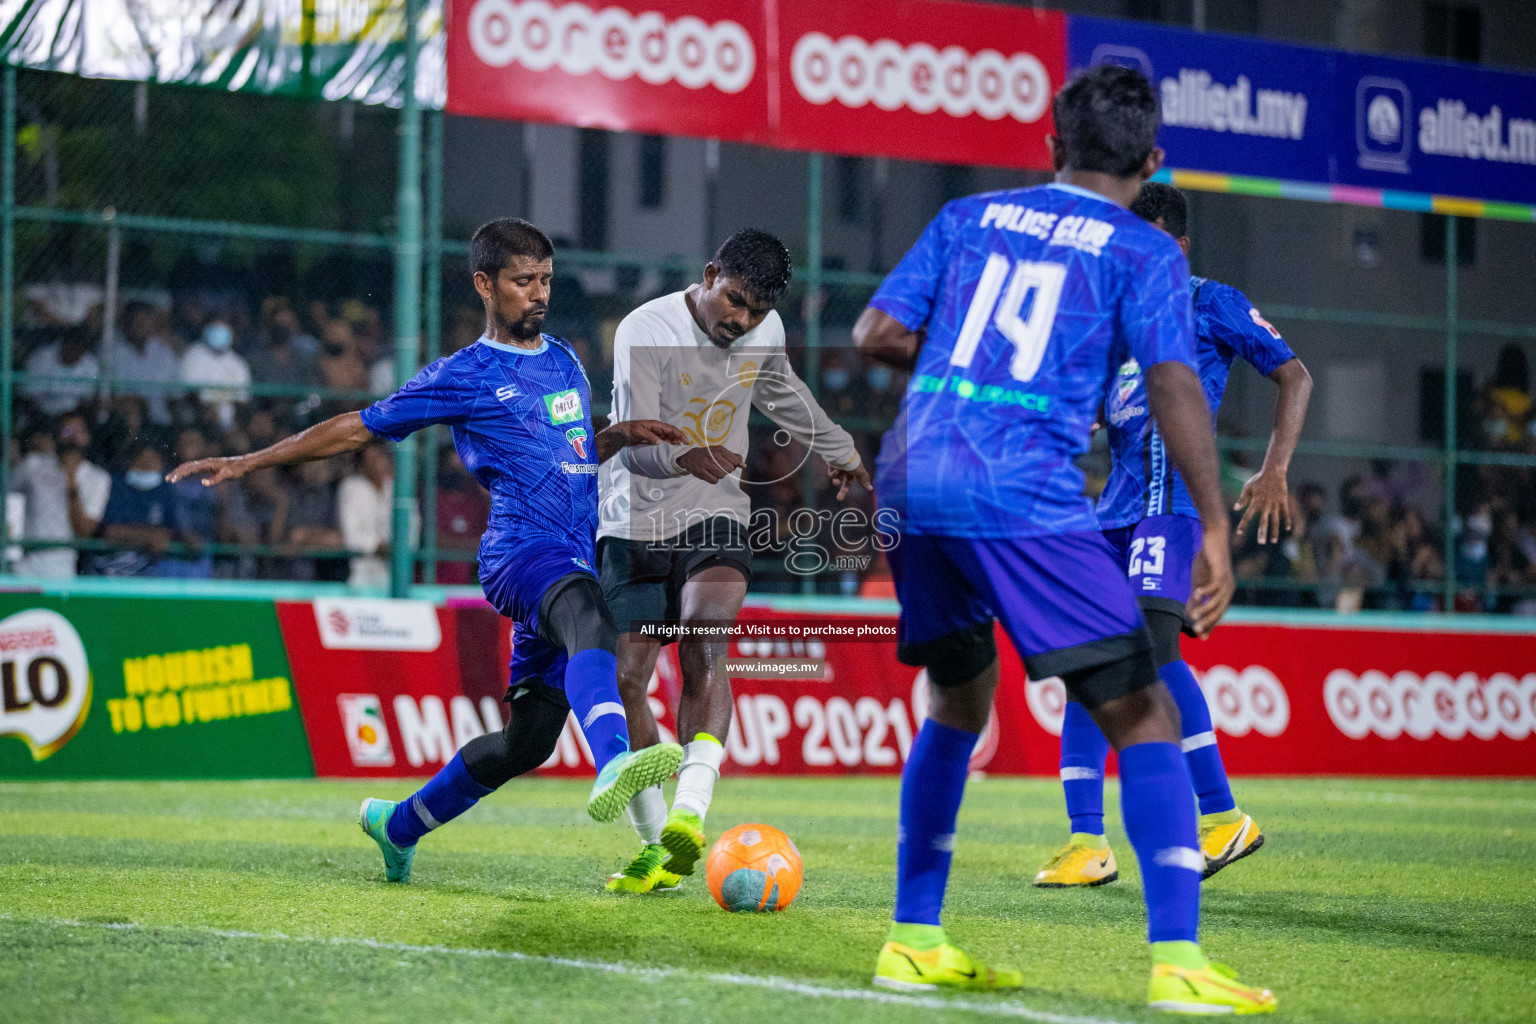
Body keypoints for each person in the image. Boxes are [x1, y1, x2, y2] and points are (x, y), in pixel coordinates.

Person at [849, 65, 1273, 1012]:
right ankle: (1178, 963)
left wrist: (970, 358)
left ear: (1052, 149)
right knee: (1143, 711)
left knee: (957, 702)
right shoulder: (1145, 249)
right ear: (1152, 160)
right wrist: (1213, 522)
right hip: (1019, 485)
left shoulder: (970, 218)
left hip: (915, 474)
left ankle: (912, 939)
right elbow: (1171, 384)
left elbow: (875, 329)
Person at [167, 217, 689, 883]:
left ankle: (399, 824)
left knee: (525, 743)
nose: (539, 293)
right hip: (521, 555)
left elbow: (567, 447)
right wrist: (249, 460)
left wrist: (615, 436)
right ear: (484, 284)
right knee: (593, 618)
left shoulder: (565, 358)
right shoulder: (464, 374)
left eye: (546, 281)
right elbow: (358, 428)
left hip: (569, 559)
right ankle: (613, 757)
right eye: (523, 281)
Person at [1035, 182, 1312, 890]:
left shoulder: (1209, 302)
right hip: (1113, 514)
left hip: (1174, 508)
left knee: (1155, 650)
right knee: (1086, 661)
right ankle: (1087, 843)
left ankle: (1222, 817)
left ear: (1176, 245)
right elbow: (1099, 412)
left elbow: (1296, 376)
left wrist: (1275, 470)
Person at [599, 229, 870, 893]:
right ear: (711, 273)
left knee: (705, 638)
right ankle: (656, 846)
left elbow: (781, 391)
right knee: (629, 677)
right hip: (633, 517)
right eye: (736, 302)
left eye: (754, 311)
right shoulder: (646, 328)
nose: (741, 321)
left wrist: (837, 447)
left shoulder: (763, 330)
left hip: (716, 510)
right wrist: (685, 455)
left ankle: (690, 811)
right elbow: (631, 443)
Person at [8, 417, 112, 578]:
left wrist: (71, 481)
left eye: (79, 431)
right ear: (57, 436)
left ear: (88, 437)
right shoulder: (34, 464)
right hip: (23, 566)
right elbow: (8, 493)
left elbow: (84, 531)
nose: (72, 436)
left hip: (61, 569)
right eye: (67, 430)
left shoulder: (98, 478)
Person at [93, 444, 184, 577]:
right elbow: (108, 531)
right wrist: (147, 537)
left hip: (150, 571)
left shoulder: (165, 489)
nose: (146, 466)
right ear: (131, 462)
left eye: (152, 461)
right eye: (142, 461)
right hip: (113, 567)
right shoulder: (117, 486)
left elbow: (172, 529)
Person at [336, 442, 397, 589]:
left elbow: (412, 530)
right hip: (360, 578)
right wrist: (378, 546)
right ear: (362, 464)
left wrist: (398, 547)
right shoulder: (352, 487)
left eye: (379, 457)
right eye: (371, 459)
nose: (377, 463)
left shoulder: (396, 488)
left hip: (395, 577)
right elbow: (351, 536)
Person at [108, 302, 180, 426]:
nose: (140, 325)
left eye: (145, 320)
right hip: (126, 422)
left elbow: (175, 394)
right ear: (127, 322)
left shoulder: (164, 351)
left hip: (161, 422)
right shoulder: (113, 352)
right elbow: (113, 395)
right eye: (136, 320)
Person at [180, 319, 251, 429]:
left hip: (230, 423)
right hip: (199, 419)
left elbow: (243, 400)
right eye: (216, 328)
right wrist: (208, 410)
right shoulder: (193, 355)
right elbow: (189, 394)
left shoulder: (238, 362)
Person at [22, 323, 100, 418]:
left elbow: (88, 399)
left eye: (79, 347)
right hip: (43, 414)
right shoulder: (41, 358)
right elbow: (30, 397)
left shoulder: (91, 364)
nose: (74, 351)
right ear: (64, 343)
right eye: (72, 346)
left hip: (75, 416)